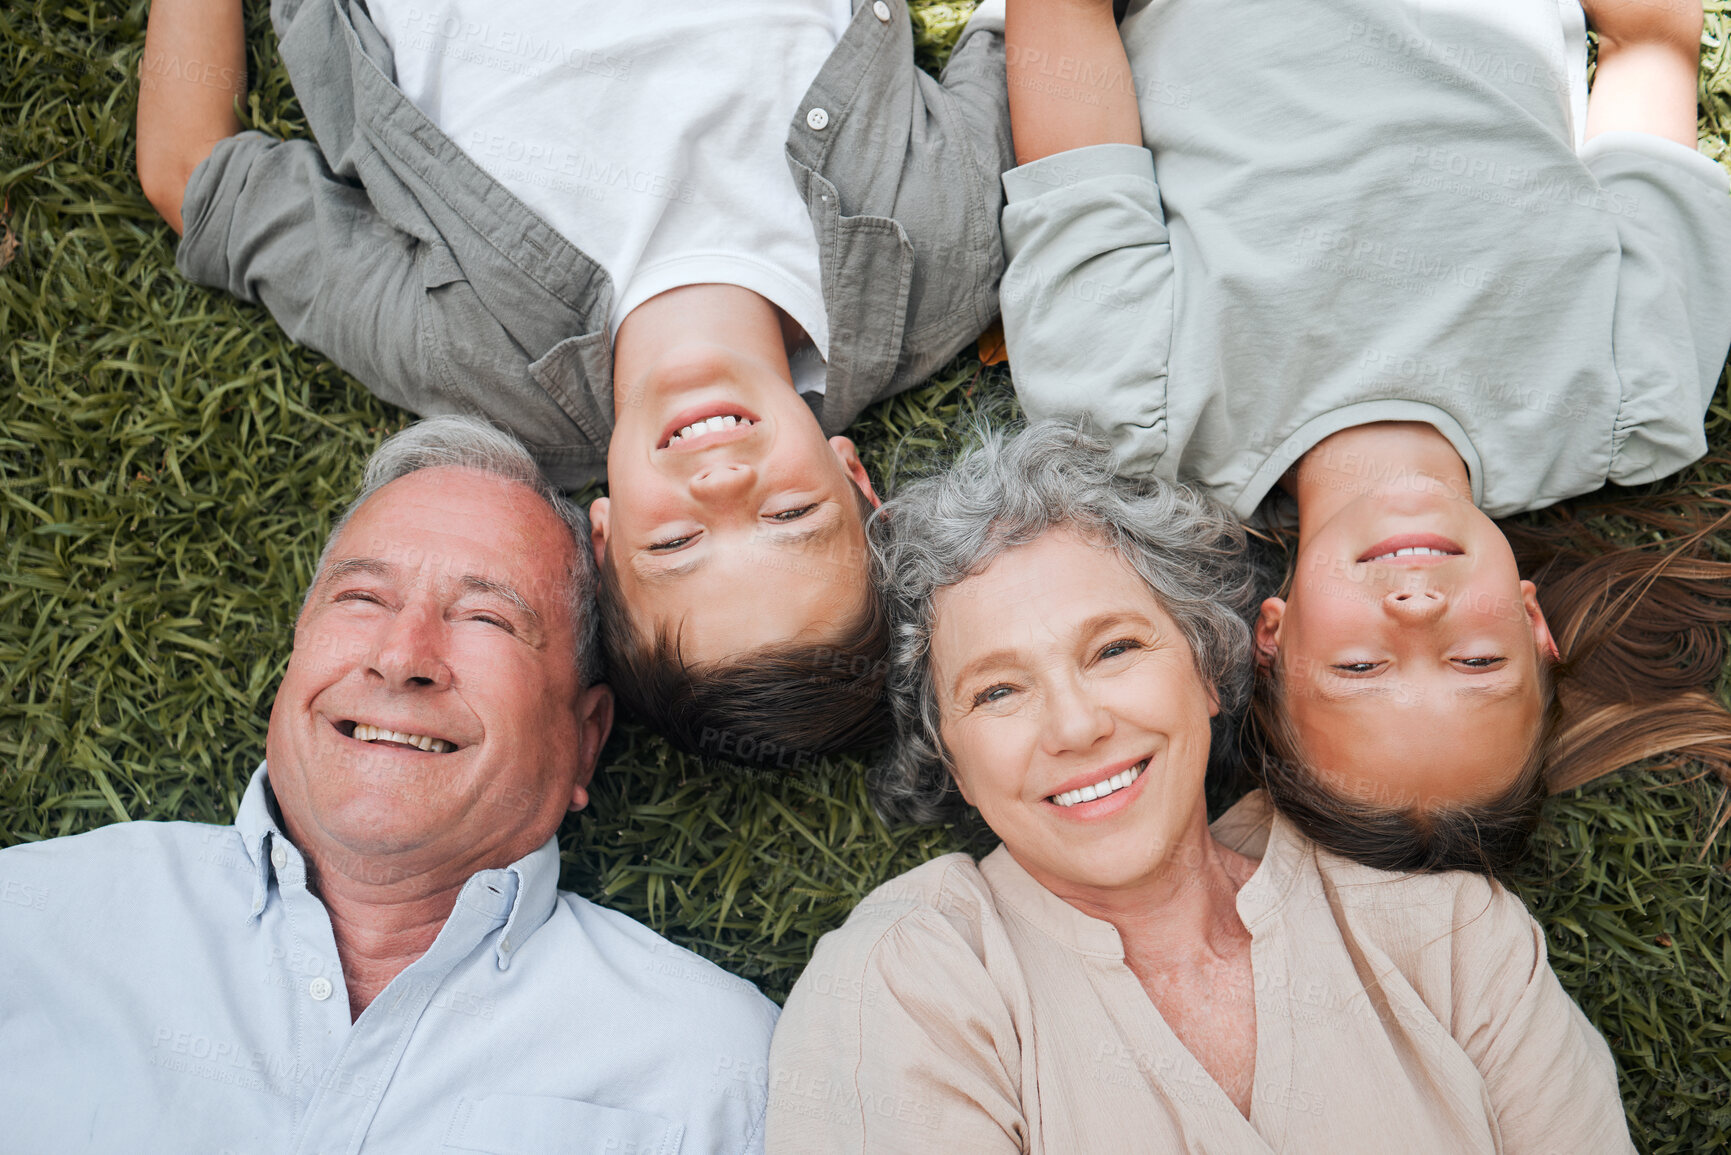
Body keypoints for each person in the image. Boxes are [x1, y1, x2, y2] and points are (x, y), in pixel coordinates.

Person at [134, 0, 1014, 766]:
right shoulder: (936, 260)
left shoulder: (475, 362)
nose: (721, 486)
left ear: (601, 539)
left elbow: (196, 176)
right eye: (789, 516)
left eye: (672, 545)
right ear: (854, 478)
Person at [993, 0, 1731, 867]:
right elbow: (1647, 41)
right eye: (1476, 660)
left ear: (1270, 636)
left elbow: (1070, 79)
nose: (1415, 613)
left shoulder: (1131, 404)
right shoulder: (1628, 398)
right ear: (1535, 625)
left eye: (1360, 670)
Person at [765, 422, 1634, 1152]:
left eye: (1113, 649)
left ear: (1208, 673)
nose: (1073, 726)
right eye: (996, 691)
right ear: (952, 759)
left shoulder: (1449, 937)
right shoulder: (912, 977)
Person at [0, 417, 778, 1153]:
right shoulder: (29, 927)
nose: (401, 655)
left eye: (486, 617)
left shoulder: (724, 1071)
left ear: (584, 740)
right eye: (362, 597)